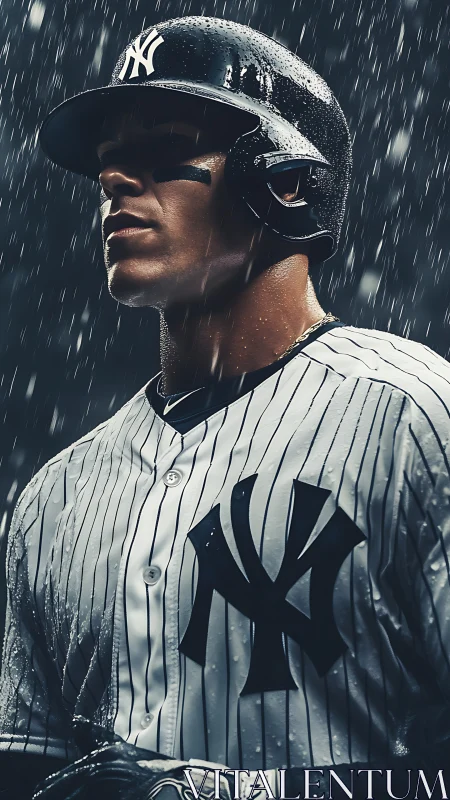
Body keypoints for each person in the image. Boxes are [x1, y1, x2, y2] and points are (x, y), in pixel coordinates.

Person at [1, 14, 450, 800]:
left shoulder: (414, 417)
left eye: (164, 148)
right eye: (109, 164)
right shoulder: (52, 500)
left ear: (283, 181)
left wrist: (230, 793)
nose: (112, 181)